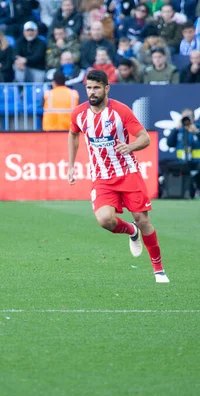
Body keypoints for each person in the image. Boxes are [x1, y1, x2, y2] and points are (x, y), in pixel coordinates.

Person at [68, 69, 170, 283]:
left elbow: (145, 138)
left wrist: (130, 146)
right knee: (105, 219)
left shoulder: (121, 111)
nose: (92, 92)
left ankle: (158, 269)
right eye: (88, 87)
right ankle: (130, 231)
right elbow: (73, 133)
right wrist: (71, 165)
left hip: (127, 173)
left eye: (96, 87)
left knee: (143, 220)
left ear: (106, 88)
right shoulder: (78, 113)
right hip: (102, 176)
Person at [166, 108, 200, 199]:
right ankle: (181, 191)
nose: (186, 120)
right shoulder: (179, 130)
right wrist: (175, 130)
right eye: (184, 118)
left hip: (198, 162)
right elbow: (170, 144)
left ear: (194, 118)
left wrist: (197, 132)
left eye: (188, 118)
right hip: (183, 162)